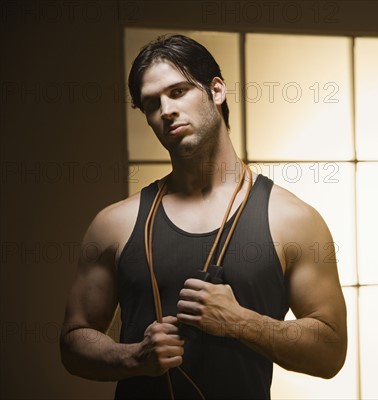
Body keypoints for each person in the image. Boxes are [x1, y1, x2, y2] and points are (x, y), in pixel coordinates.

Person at [60, 34, 347, 399]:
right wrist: (131, 356)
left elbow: (331, 352)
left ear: (216, 91)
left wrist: (241, 322)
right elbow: (73, 339)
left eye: (178, 92)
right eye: (151, 103)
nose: (165, 110)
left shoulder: (291, 219)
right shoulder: (115, 224)